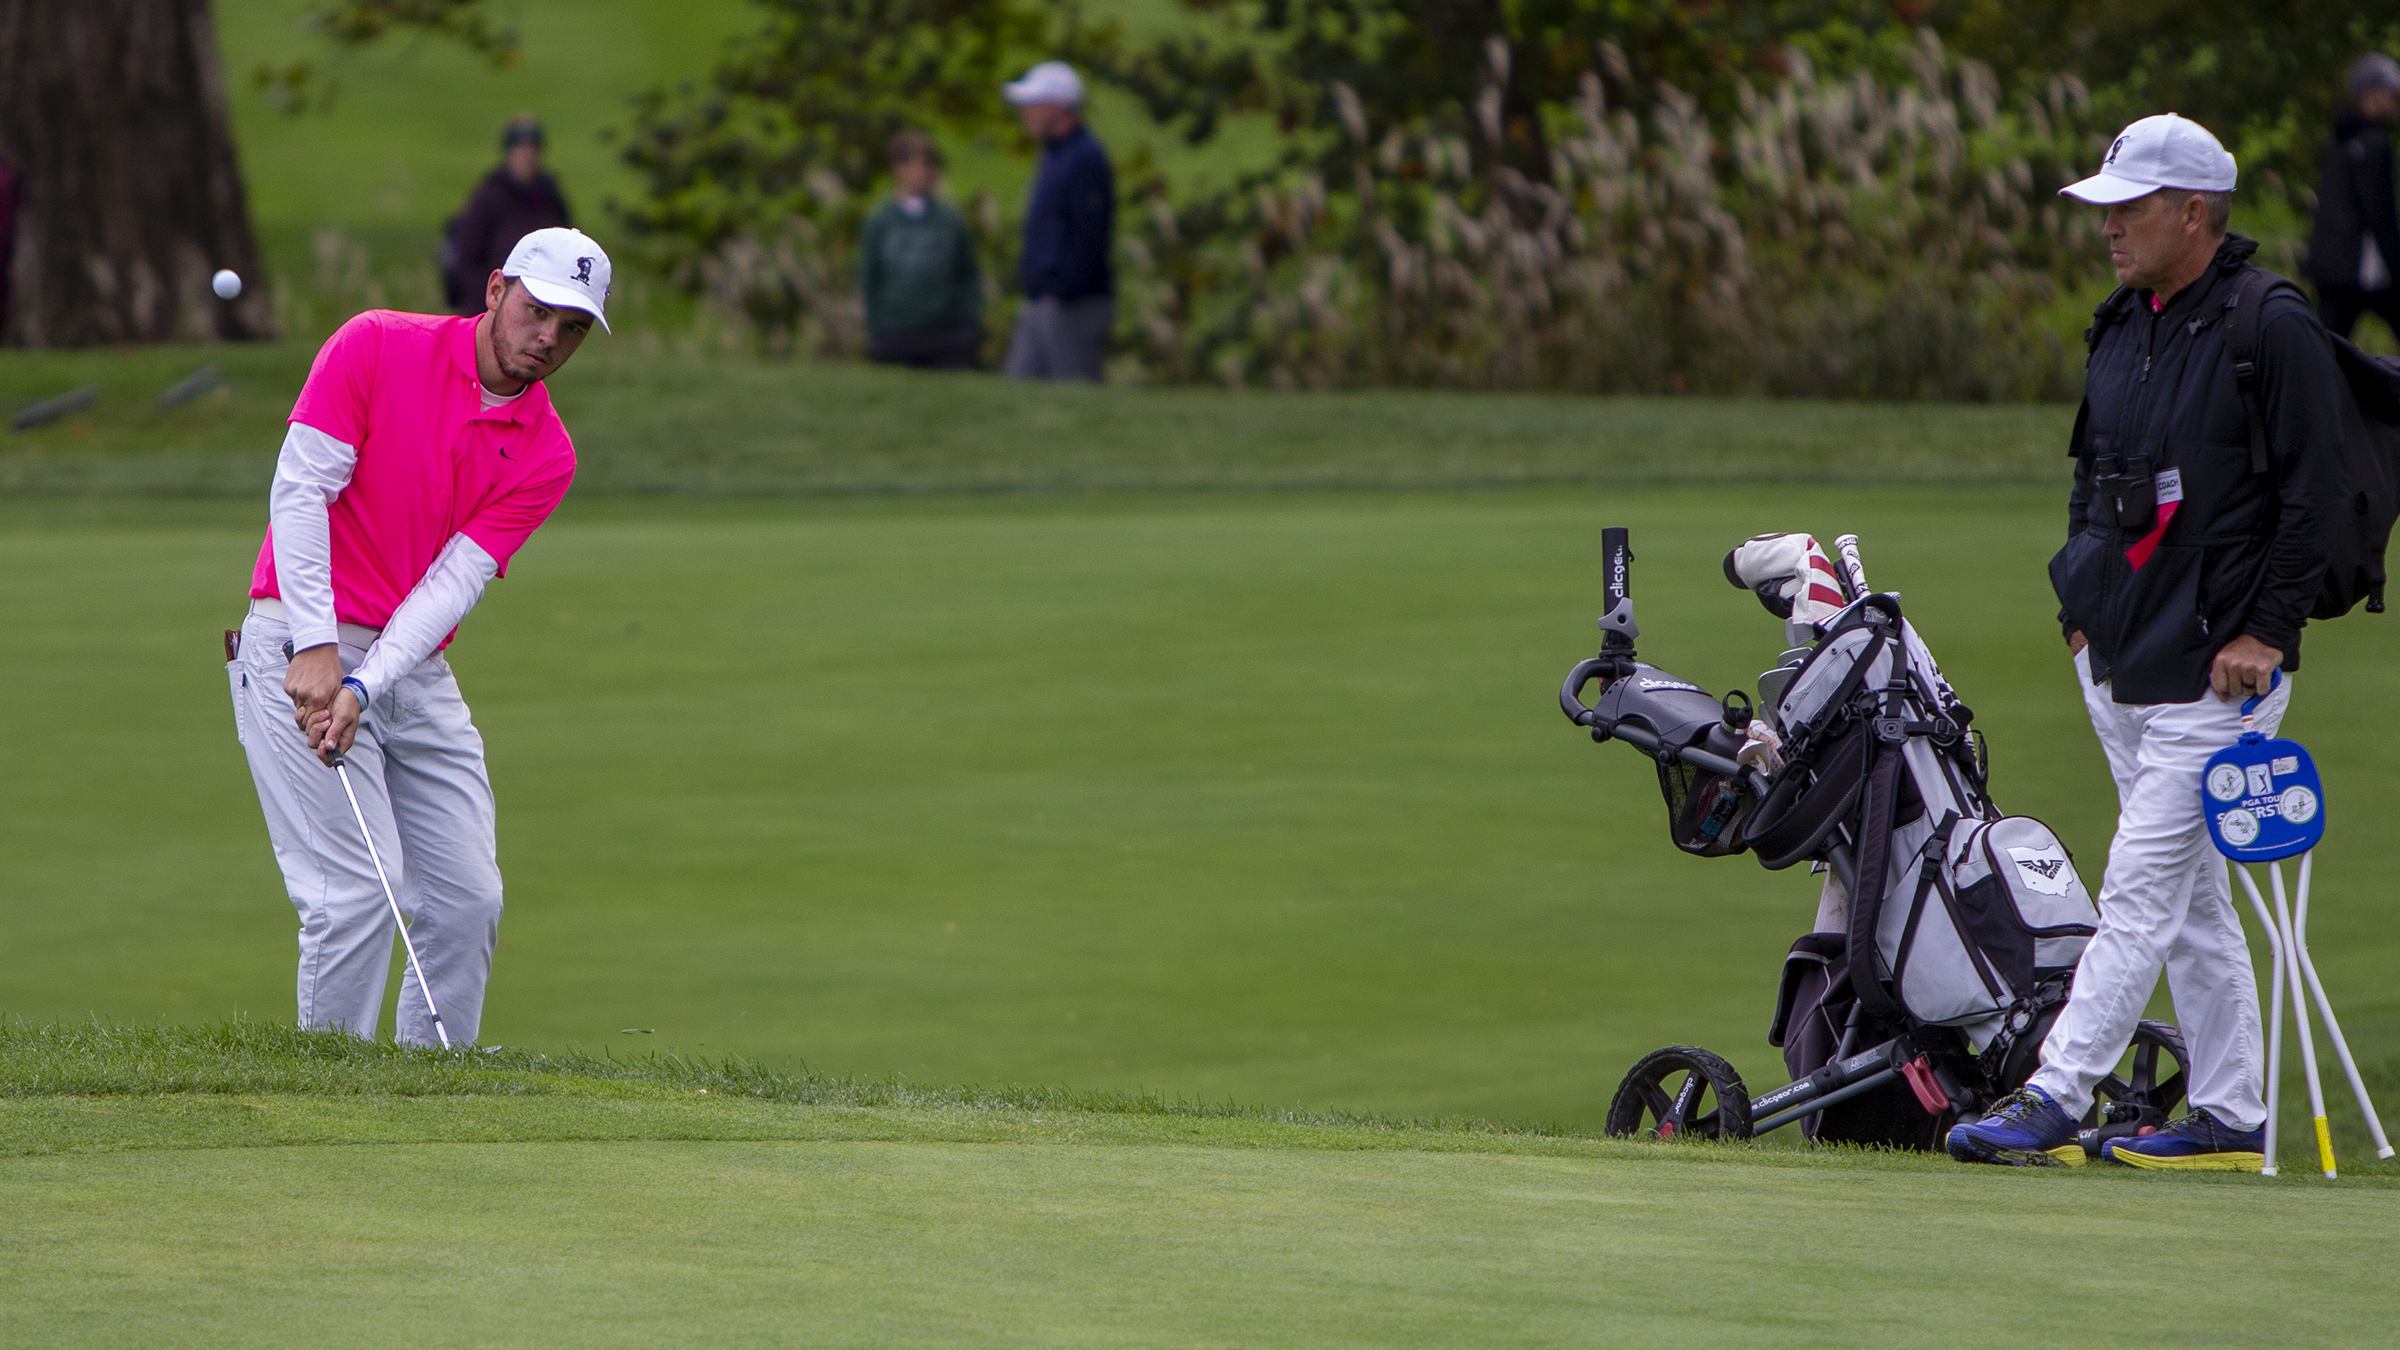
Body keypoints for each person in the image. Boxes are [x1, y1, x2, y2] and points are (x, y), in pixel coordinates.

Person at [1944, 115, 2344, 1169]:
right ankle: (2227, 1113)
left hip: (2224, 669)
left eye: (2127, 207)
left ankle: (2056, 1096)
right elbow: (2095, 473)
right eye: (2104, 208)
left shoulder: (2273, 324)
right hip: (2121, 653)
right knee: (2195, 897)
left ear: (2194, 213)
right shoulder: (2125, 319)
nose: (2108, 227)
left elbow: (2319, 496)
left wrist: (2269, 629)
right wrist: (2079, 604)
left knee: (2138, 884)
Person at [227, 227, 611, 1047]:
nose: (549, 339)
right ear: (497, 290)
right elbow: (299, 494)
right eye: (539, 312)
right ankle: (330, 1097)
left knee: (468, 896)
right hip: (296, 640)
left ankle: (433, 1092)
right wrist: (316, 646)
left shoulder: (547, 452)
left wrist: (366, 686)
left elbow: (453, 584)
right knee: (356, 890)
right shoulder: (374, 346)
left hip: (409, 669)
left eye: (572, 328)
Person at [999, 61, 1115, 381]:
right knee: (1017, 388)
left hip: (1072, 305)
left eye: (1033, 104)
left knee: (1075, 393)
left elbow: (1088, 236)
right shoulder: (1055, 155)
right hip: (1042, 300)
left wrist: (1063, 290)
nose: (1026, 112)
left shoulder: (1084, 160)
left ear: (1059, 107)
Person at [861, 130, 985, 370]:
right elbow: (870, 279)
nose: (929, 174)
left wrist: (969, 322)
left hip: (947, 334)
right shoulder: (881, 221)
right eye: (922, 166)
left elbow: (969, 273)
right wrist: (877, 328)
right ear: (899, 170)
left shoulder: (950, 219)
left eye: (933, 166)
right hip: (896, 334)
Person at [2306, 55, 2400, 341]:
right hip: (2362, 268)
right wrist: (2396, 264)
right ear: (2370, 93)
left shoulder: (2338, 137)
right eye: (2392, 94)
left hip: (2330, 267)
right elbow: (2378, 211)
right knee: (2331, 346)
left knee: (2328, 348)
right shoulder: (2374, 143)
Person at [443, 116, 573, 314]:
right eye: (520, 148)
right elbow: (468, 253)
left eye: (533, 148)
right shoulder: (490, 195)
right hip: (496, 301)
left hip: (542, 300)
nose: (527, 155)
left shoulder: (549, 195)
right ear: (509, 152)